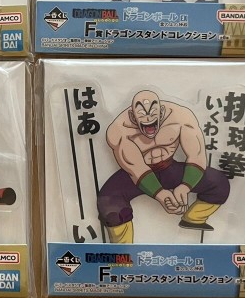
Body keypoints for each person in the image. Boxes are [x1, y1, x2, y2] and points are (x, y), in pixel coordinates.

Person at [98, 90, 230, 243]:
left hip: (168, 167)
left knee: (218, 183)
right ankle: (123, 250)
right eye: (142, 114)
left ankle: (194, 218)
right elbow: (136, 168)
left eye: (152, 113)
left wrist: (185, 187)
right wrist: (160, 195)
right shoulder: (119, 130)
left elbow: (197, 154)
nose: (148, 118)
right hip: (136, 176)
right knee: (108, 201)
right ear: (133, 116)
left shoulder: (181, 117)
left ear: (161, 111)